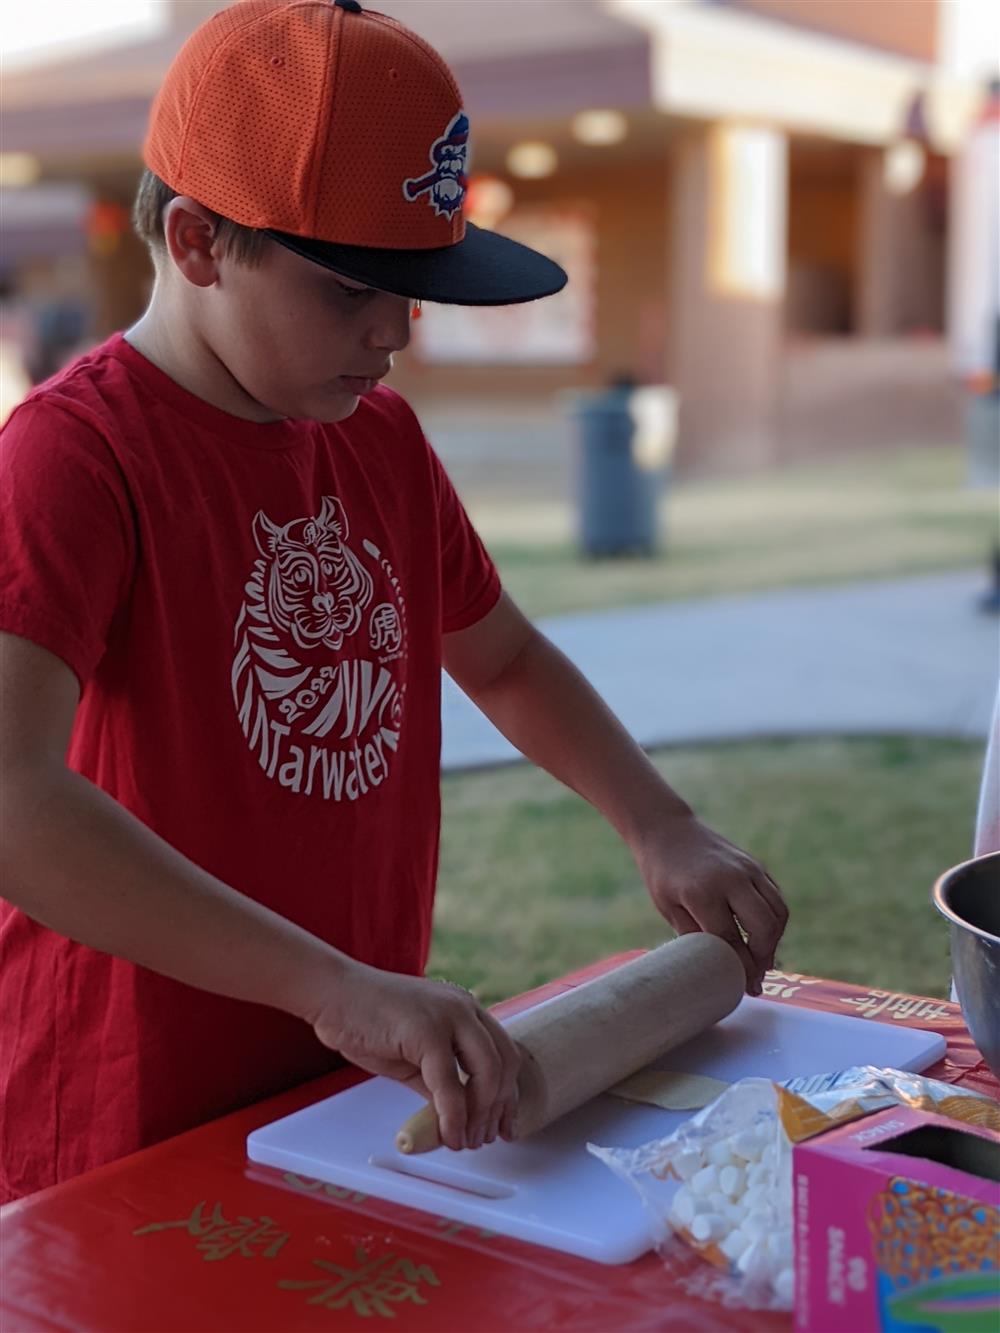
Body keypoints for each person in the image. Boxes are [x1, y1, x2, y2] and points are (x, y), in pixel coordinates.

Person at [0, 0, 788, 1203]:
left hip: (339, 1069)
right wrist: (331, 983)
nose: (398, 331)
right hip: (124, 1101)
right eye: (348, 291)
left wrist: (657, 819)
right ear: (202, 242)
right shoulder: (79, 455)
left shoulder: (376, 437)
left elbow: (504, 656)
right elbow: (11, 799)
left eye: (415, 286)